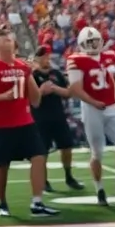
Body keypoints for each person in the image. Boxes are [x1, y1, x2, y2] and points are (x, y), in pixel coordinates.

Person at [0, 28, 59, 218]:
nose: (6, 40)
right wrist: (3, 96)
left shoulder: (22, 66)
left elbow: (35, 100)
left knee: (39, 156)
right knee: (3, 165)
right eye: (1, 38)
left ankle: (37, 202)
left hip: (25, 120)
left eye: (8, 38)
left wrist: (32, 77)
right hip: (2, 123)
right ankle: (2, 201)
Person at [66, 27, 115, 206]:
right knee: (97, 152)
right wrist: (92, 101)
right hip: (92, 109)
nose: (93, 45)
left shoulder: (108, 56)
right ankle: (99, 188)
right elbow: (75, 88)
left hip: (111, 107)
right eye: (89, 42)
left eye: (95, 41)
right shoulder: (76, 60)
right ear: (82, 44)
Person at [29, 46, 83, 193]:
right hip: (40, 118)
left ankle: (69, 175)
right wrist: (41, 91)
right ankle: (44, 180)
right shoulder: (33, 76)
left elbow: (68, 92)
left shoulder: (56, 74)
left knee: (66, 147)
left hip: (58, 116)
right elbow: (31, 99)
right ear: (37, 59)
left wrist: (54, 89)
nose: (46, 59)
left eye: (48, 56)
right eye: (43, 57)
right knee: (42, 151)